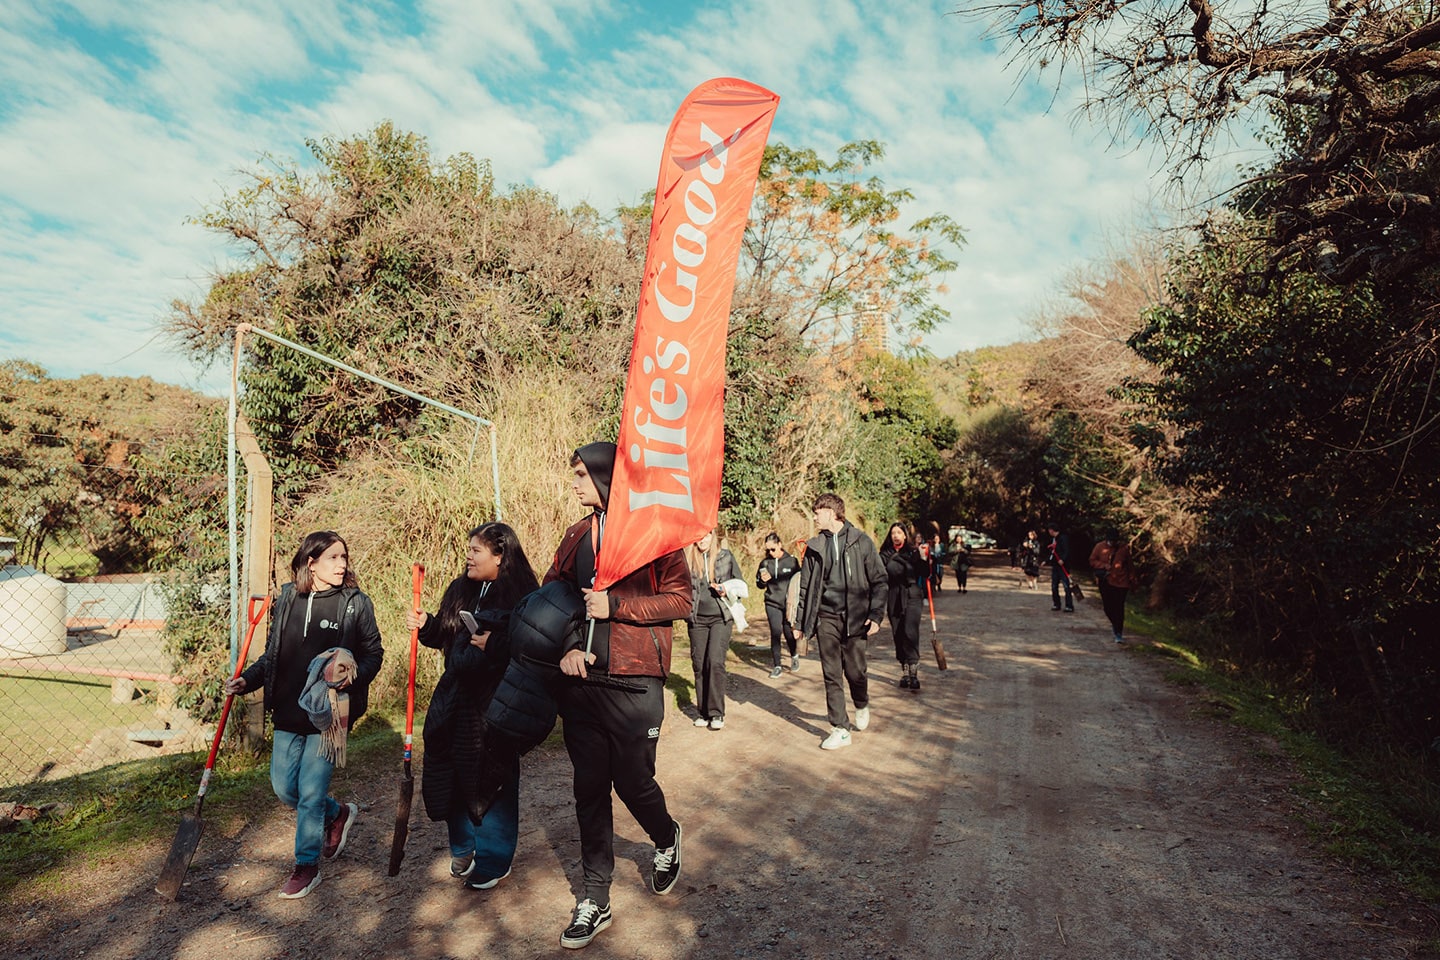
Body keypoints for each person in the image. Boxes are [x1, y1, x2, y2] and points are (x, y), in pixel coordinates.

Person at [547, 442, 691, 949]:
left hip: (637, 677)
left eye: (583, 476)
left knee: (633, 780)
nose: (575, 484)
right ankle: (595, 898)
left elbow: (680, 600)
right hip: (582, 682)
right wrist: (567, 646)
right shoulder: (577, 536)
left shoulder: (658, 535)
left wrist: (617, 606)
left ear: (609, 478)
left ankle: (665, 836)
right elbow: (553, 598)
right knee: (589, 787)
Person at [225, 531, 384, 899]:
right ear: (311, 563)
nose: (342, 564)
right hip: (287, 709)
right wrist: (247, 680)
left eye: (344, 557)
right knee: (285, 788)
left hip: (329, 713)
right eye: (333, 558)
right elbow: (272, 656)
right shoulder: (287, 600)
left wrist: (351, 675)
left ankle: (306, 865)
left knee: (310, 792)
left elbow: (374, 653)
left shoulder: (354, 603)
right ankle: (337, 814)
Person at [406, 522, 539, 890]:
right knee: (449, 766)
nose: (468, 555)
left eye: (477, 550)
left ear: (500, 556)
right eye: (469, 549)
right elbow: (448, 639)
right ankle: (463, 846)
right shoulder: (461, 589)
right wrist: (428, 625)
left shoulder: (523, 596)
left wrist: (493, 644)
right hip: (455, 696)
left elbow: (530, 646)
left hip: (497, 700)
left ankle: (495, 858)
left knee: (491, 776)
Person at [791, 492, 887, 750]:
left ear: (832, 513)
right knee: (831, 674)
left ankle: (862, 702)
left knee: (856, 672)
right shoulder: (814, 547)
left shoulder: (861, 542)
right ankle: (840, 728)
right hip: (827, 618)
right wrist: (800, 623)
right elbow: (806, 589)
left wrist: (876, 614)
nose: (813, 516)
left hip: (856, 618)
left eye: (817, 511)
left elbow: (879, 580)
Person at [685, 529, 740, 728]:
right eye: (698, 536)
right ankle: (703, 712)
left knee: (715, 661)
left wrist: (727, 589)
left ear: (713, 536)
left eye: (707, 535)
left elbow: (740, 583)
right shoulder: (688, 560)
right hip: (697, 619)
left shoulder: (725, 556)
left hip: (720, 617)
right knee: (699, 664)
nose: (703, 540)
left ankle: (716, 713)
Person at [879, 522, 928, 692]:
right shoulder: (885, 554)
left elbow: (925, 573)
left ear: (905, 535)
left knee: (910, 631)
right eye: (893, 533)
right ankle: (905, 670)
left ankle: (913, 670)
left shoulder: (913, 552)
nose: (896, 535)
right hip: (893, 596)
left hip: (912, 594)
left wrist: (923, 558)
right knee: (898, 632)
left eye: (899, 532)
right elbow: (879, 575)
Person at [755, 532, 801, 676]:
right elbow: (759, 585)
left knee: (788, 632)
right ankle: (777, 666)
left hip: (788, 603)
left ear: (780, 545)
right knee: (775, 632)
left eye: (773, 549)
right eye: (767, 550)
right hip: (772, 602)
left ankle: (794, 655)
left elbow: (799, 581)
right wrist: (763, 580)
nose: (770, 553)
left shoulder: (791, 561)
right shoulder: (765, 563)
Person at [1088, 529, 1139, 643]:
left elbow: (1130, 565)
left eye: (1114, 541)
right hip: (1106, 581)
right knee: (1108, 607)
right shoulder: (1099, 547)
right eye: (1110, 540)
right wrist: (1103, 565)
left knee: (1119, 607)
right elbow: (1092, 560)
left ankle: (1118, 632)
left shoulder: (1124, 549)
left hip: (1122, 582)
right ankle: (1115, 624)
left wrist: (1132, 579)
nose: (1112, 543)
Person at [1045, 522, 1075, 612]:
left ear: (1052, 530)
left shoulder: (1063, 538)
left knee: (1066, 586)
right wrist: (1047, 561)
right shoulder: (1053, 539)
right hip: (1055, 565)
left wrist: (1063, 559)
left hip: (1063, 566)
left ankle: (1069, 605)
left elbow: (1067, 550)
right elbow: (1052, 552)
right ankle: (1056, 604)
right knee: (1054, 585)